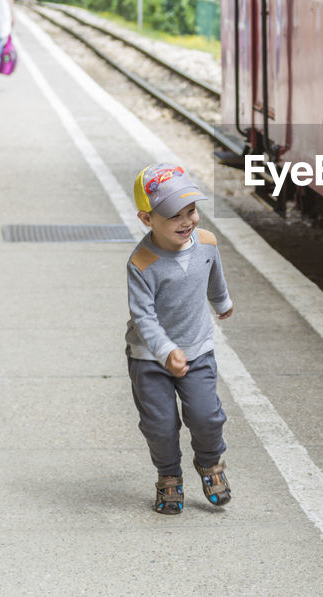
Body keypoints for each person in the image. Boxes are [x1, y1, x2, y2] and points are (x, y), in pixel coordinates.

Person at [126, 163, 235, 513]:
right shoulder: (142, 263)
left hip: (198, 350)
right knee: (160, 425)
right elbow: (143, 316)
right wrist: (166, 351)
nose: (187, 221)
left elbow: (212, 274)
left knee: (206, 416)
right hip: (150, 357)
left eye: (191, 211)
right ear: (147, 219)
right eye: (174, 215)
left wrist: (221, 302)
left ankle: (209, 462)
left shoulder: (205, 243)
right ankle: (169, 476)